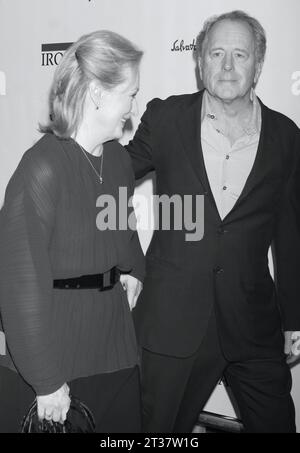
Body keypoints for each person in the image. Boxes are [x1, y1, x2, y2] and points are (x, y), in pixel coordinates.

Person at [126, 10, 300, 433]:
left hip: (253, 323)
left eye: (240, 54)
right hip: (172, 322)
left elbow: (291, 232)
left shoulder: (286, 135)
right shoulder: (165, 119)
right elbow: (109, 183)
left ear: (259, 64)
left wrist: (295, 315)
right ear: (199, 62)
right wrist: (130, 260)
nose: (226, 66)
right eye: (216, 53)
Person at [0, 30, 145, 433]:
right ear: (97, 93)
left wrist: (134, 272)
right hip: (58, 367)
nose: (134, 106)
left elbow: (124, 234)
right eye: (130, 93)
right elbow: (18, 286)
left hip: (116, 351)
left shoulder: (117, 160)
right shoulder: (41, 168)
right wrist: (46, 382)